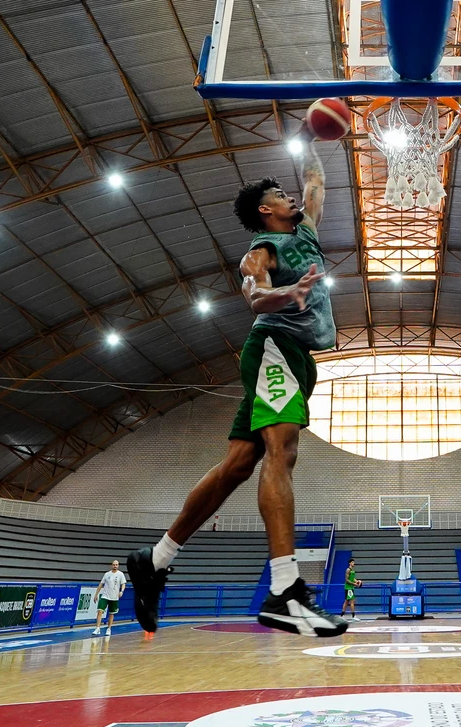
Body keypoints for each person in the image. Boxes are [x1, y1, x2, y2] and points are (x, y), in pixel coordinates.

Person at [125, 133, 347, 639]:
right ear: (268, 209)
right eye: (282, 196)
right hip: (273, 348)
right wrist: (286, 292)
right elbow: (254, 295)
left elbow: (315, 181)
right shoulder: (262, 249)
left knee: (237, 466)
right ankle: (285, 590)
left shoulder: (306, 230)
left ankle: (155, 558)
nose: (294, 198)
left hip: (292, 357)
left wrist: (314, 134)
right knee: (280, 452)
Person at [93, 560, 127, 637]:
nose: (115, 566)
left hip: (114, 597)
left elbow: (123, 584)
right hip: (105, 596)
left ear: (118, 566)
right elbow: (101, 584)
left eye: (116, 565)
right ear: (111, 565)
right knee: (100, 611)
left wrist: (121, 591)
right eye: (114, 564)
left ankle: (109, 628)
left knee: (111, 614)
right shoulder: (107, 574)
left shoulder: (120, 574)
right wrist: (96, 594)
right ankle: (97, 628)